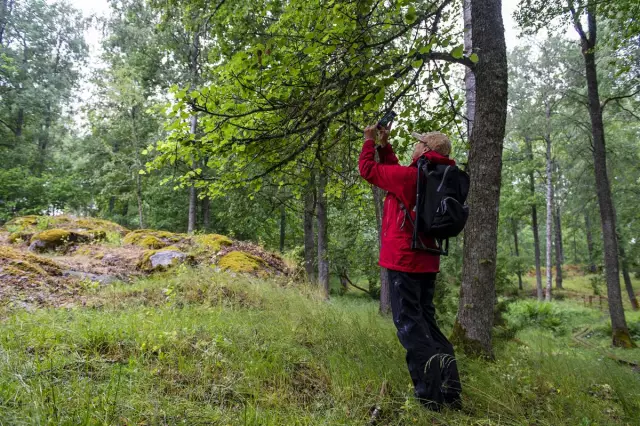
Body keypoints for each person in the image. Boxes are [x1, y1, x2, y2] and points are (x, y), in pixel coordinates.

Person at [358, 123, 462, 411]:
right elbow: (395, 174)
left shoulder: (411, 177)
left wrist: (368, 142)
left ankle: (430, 400)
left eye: (418, 143)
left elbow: (369, 171)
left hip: (404, 262)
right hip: (427, 261)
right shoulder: (432, 178)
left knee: (411, 328)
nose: (414, 146)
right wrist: (384, 145)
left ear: (425, 150)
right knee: (427, 323)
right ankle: (450, 392)